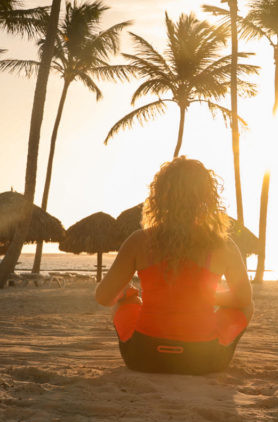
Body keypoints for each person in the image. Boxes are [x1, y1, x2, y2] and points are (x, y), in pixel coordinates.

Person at [95, 157, 254, 375]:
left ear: (159, 196)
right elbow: (244, 300)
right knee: (246, 306)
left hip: (143, 358)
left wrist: (129, 295)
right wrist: (206, 296)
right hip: (204, 361)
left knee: (125, 301)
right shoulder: (223, 245)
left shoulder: (139, 240)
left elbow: (103, 297)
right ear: (207, 197)